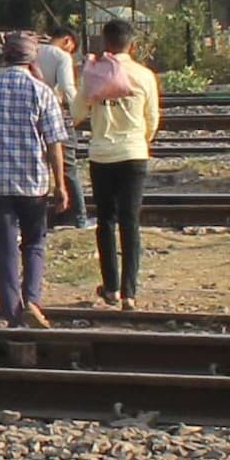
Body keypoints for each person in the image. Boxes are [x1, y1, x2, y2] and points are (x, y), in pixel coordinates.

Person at [0, 29, 71, 327]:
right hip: (33, 181)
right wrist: (60, 185)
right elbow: (54, 142)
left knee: (3, 248)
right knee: (34, 242)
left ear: (5, 57)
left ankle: (12, 314)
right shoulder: (42, 91)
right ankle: (32, 301)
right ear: (32, 58)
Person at [76, 17, 161, 308]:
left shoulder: (93, 74)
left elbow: (76, 114)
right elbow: (153, 119)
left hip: (101, 155)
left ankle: (110, 288)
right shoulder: (145, 75)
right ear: (133, 45)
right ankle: (130, 293)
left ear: (104, 42)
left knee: (106, 221)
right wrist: (140, 140)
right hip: (134, 153)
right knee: (131, 222)